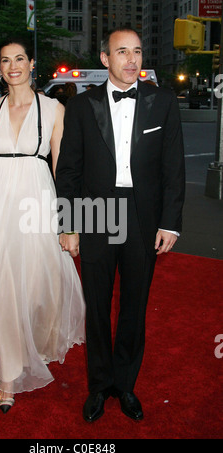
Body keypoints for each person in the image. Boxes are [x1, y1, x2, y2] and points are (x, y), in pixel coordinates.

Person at [56, 27, 185, 423]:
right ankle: (99, 386)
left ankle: (125, 384)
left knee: (135, 304)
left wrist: (170, 223)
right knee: (96, 306)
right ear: (104, 58)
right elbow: (69, 171)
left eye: (138, 52)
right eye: (122, 52)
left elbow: (173, 168)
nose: (132, 60)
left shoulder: (162, 101)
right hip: (96, 213)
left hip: (144, 216)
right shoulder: (81, 106)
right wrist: (68, 224)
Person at [0, 37, 85, 413]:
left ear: (32, 64)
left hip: (39, 206)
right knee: (0, 289)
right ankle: (8, 376)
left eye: (19, 59)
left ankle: (37, 343)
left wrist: (71, 223)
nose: (12, 66)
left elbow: (63, 169)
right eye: (5, 60)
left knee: (38, 285)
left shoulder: (53, 109)